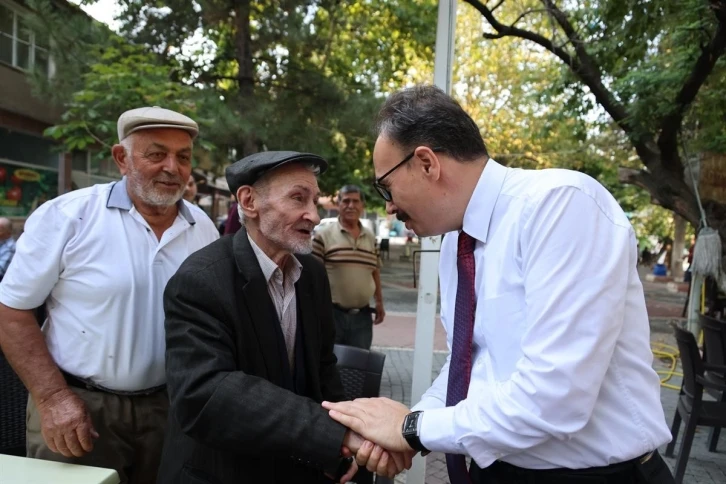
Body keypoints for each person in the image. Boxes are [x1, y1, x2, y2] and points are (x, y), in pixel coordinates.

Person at [323, 85, 675, 484]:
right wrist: (412, 429)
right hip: (499, 468)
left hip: (597, 474)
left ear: (426, 163)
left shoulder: (559, 205)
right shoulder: (458, 239)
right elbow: (469, 367)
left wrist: (410, 429)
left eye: (385, 186)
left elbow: (554, 399)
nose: (388, 206)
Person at [157, 151, 407, 484]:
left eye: (315, 201)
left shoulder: (313, 275)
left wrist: (343, 438)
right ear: (249, 202)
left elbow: (322, 368)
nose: (314, 215)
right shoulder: (200, 280)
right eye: (298, 198)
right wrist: (333, 436)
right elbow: (206, 395)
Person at [0, 106, 219, 484]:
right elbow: (11, 312)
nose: (173, 167)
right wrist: (52, 399)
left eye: (183, 157)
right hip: (79, 408)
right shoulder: (69, 217)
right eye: (156, 154)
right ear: (122, 158)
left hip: (171, 407)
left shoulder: (202, 227)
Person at [312, 185, 385, 349]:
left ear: (362, 206)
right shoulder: (323, 236)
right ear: (338, 204)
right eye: (346, 201)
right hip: (332, 315)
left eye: (355, 201)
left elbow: (375, 271)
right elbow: (313, 276)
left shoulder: (371, 238)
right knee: (330, 365)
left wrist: (379, 302)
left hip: (362, 318)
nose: (351, 206)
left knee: (359, 368)